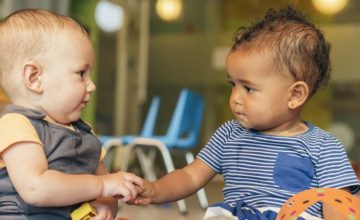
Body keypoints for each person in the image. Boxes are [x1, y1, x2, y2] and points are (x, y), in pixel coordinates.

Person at [131, 6, 360, 220]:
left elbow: (337, 203)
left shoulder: (324, 146)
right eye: (233, 84)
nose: (236, 97)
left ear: (295, 95)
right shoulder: (229, 134)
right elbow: (190, 176)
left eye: (248, 88)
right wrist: (156, 189)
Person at [0, 9, 143, 219]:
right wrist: (101, 186)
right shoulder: (16, 125)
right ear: (34, 78)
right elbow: (35, 188)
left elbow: (107, 195)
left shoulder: (85, 134)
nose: (91, 85)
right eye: (81, 74)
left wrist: (104, 207)